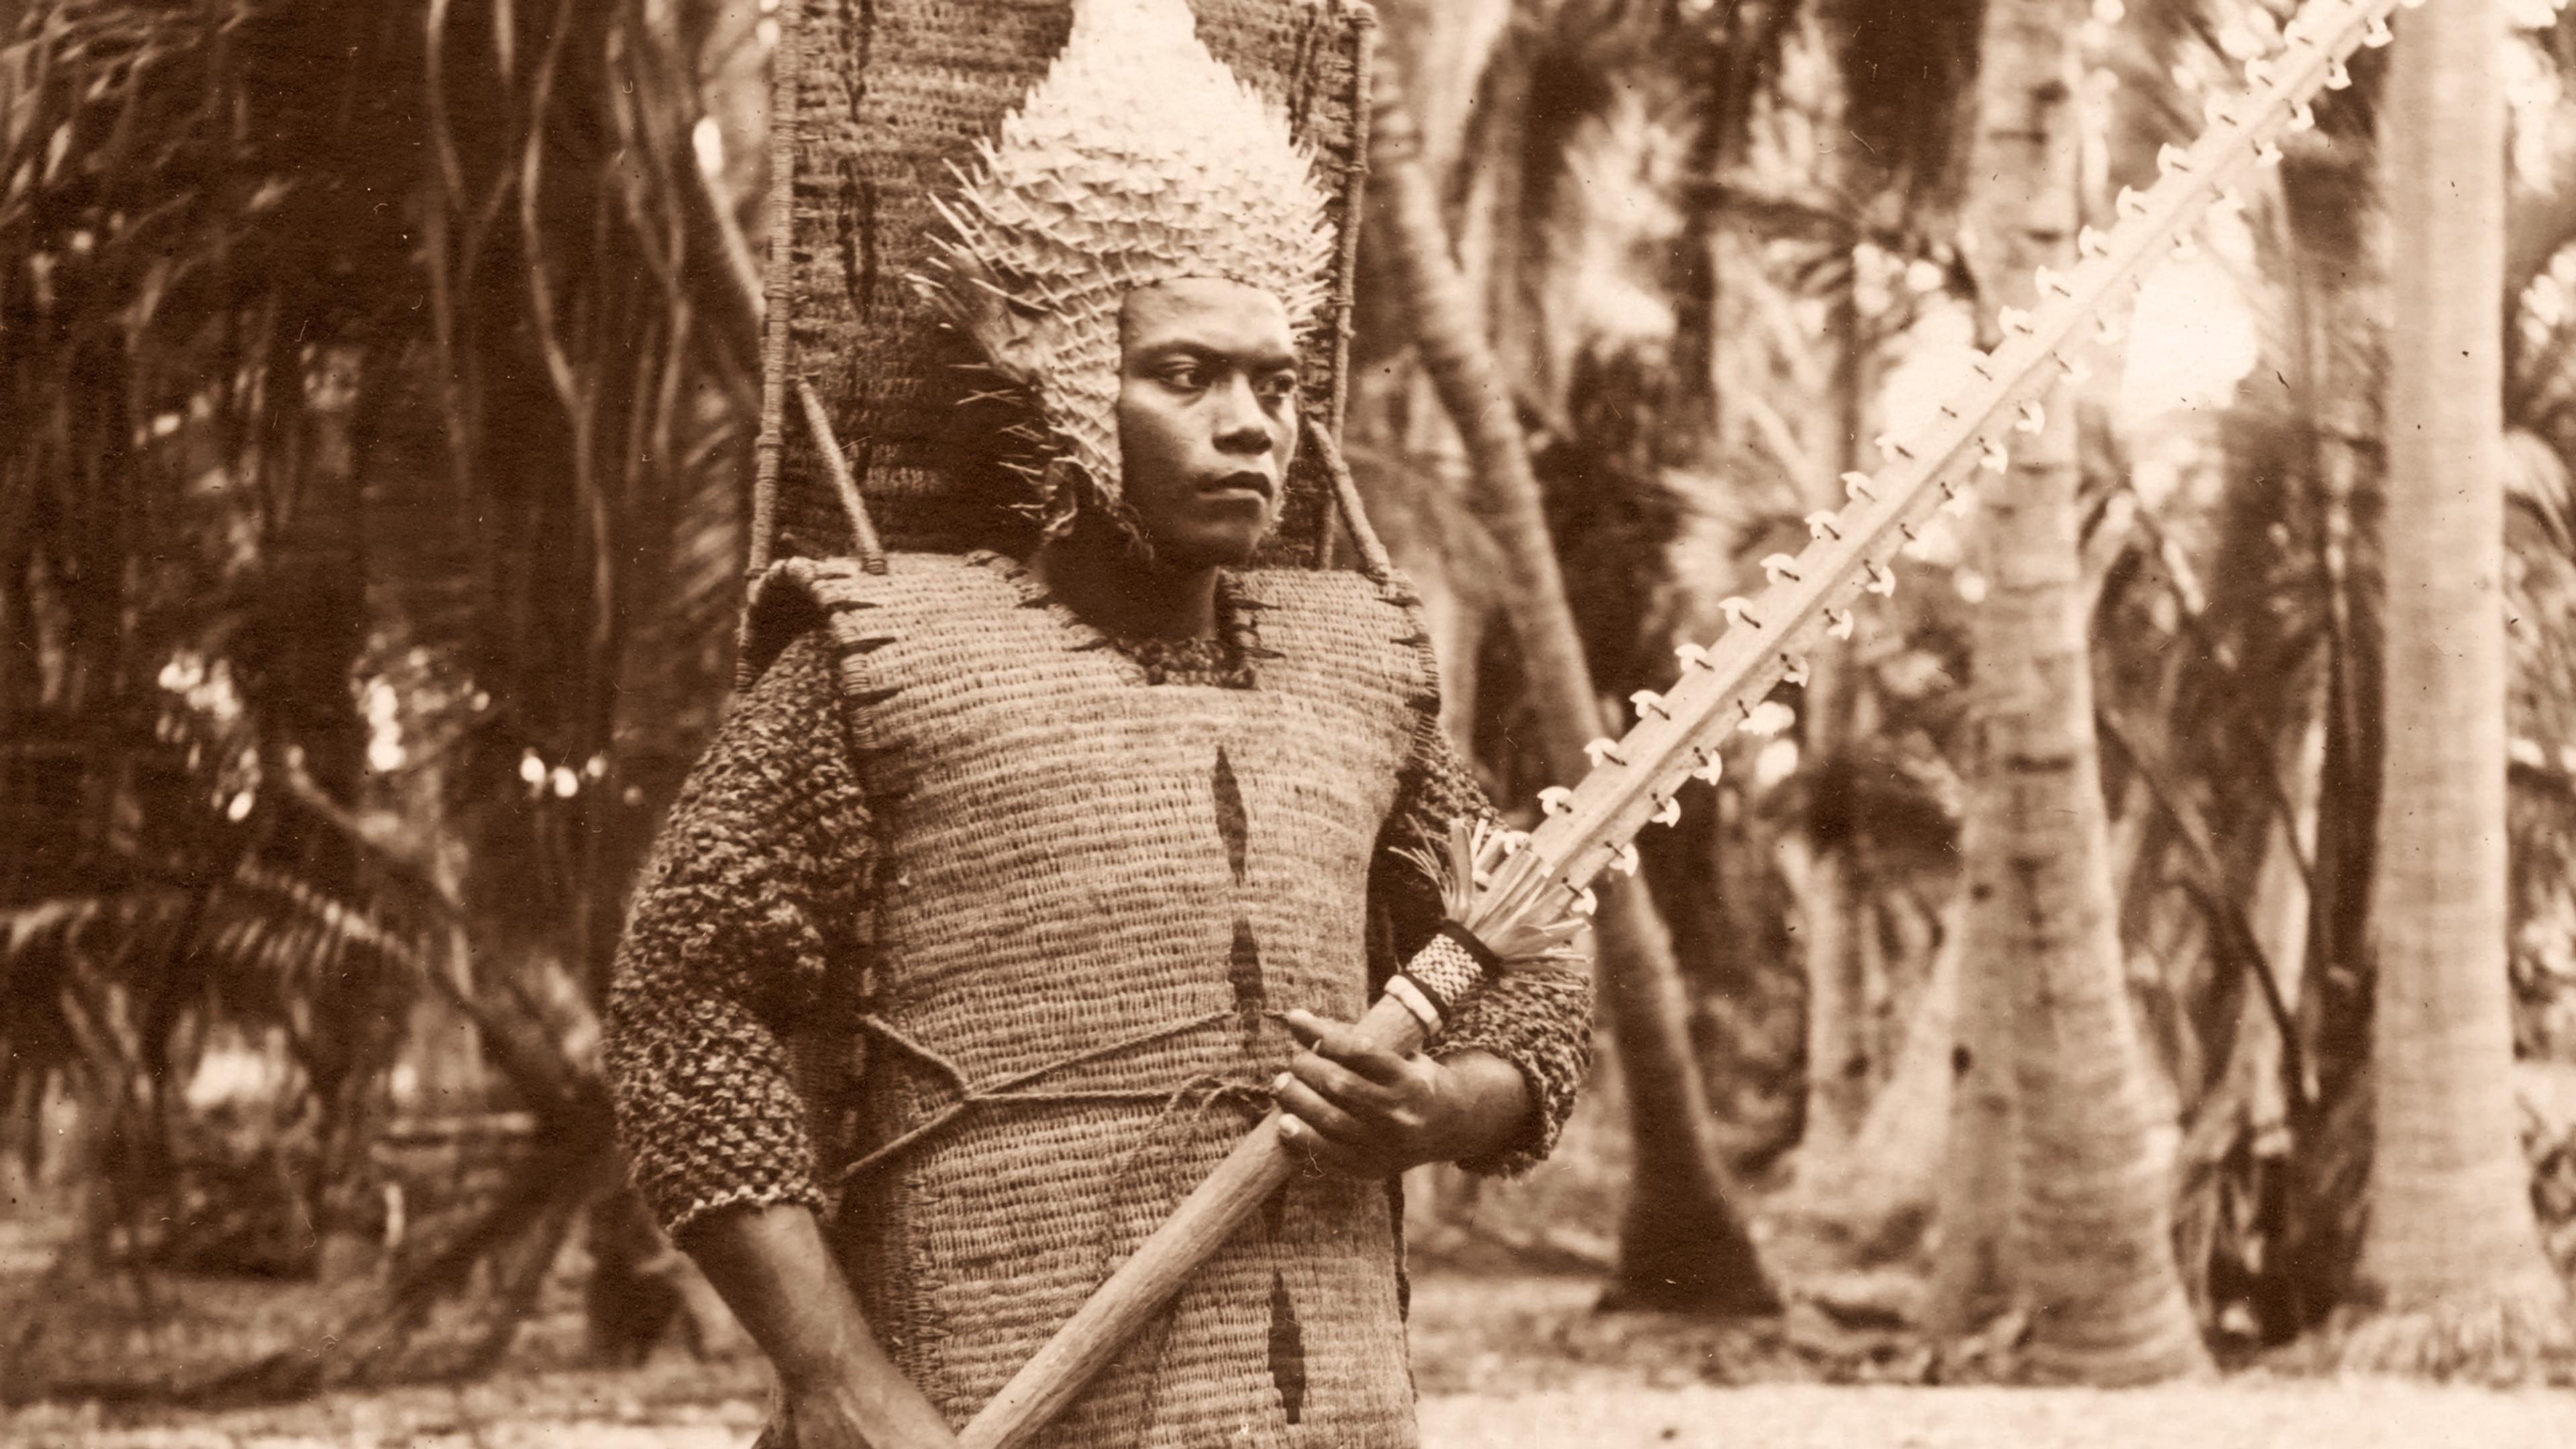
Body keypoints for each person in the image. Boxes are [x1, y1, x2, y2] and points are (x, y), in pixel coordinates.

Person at [603, 3, 1593, 1444]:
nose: (1250, 425)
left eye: (1275, 383)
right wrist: (831, 1371)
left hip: (1335, 1406)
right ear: (1058, 369)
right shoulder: (884, 657)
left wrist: (1448, 1108)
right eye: (1184, 375)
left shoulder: (1364, 669)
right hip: (986, 1397)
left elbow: (1530, 964)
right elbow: (683, 1010)